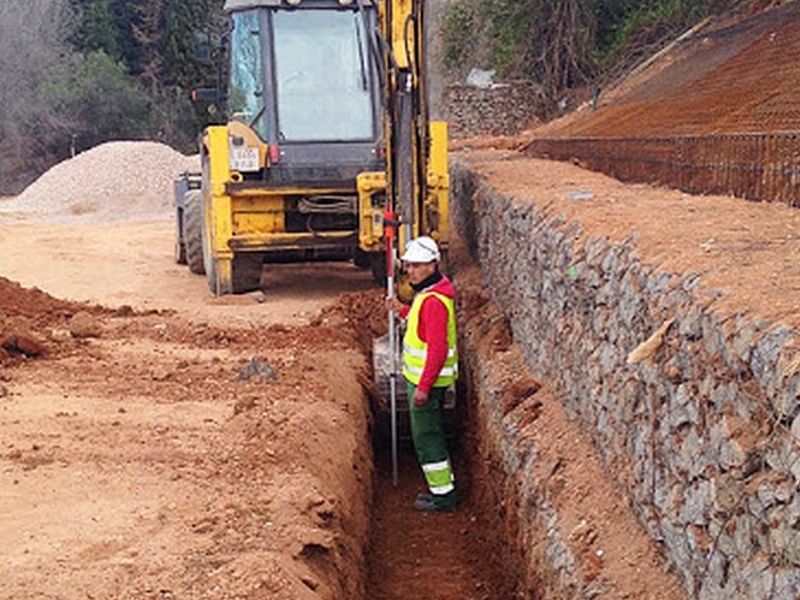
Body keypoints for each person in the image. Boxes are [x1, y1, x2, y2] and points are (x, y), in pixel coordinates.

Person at [387, 236, 459, 512]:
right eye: (408, 265)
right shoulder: (429, 295)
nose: (410, 271)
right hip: (426, 380)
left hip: (426, 383)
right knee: (430, 435)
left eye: (416, 266)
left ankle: (442, 496)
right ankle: (443, 488)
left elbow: (437, 349)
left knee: (428, 437)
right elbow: (422, 328)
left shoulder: (433, 301)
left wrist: (424, 387)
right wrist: (402, 311)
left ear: (431, 266)